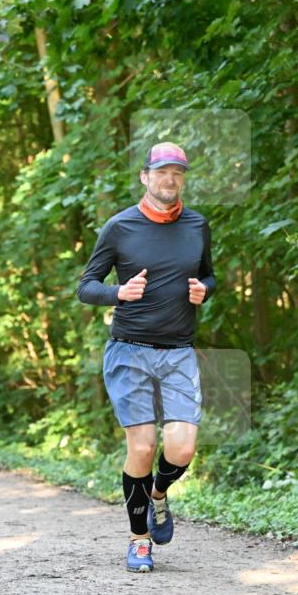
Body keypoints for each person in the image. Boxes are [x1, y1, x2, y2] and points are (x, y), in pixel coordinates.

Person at [77, 142, 216, 572]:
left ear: (183, 179)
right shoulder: (120, 227)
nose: (169, 180)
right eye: (161, 172)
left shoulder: (197, 225)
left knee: (183, 447)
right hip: (129, 351)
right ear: (145, 177)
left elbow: (208, 273)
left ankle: (158, 495)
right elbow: (86, 286)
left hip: (178, 351)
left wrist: (204, 290)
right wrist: (118, 292)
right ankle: (139, 540)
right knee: (142, 446)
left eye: (177, 173)